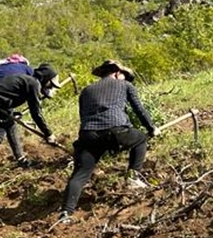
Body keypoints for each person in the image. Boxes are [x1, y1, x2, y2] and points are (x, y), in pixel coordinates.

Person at [59, 60, 157, 222]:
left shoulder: (86, 90)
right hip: (115, 129)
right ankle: (133, 177)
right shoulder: (125, 86)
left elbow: (83, 116)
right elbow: (138, 109)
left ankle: (65, 213)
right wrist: (152, 128)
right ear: (118, 73)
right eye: (124, 76)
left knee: (80, 175)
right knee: (140, 139)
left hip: (88, 134)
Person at [0, 63, 61, 184]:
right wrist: (49, 133)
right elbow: (36, 114)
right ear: (45, 78)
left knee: (10, 124)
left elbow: (6, 95)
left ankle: (21, 160)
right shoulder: (32, 83)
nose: (50, 87)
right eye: (51, 84)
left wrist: (15, 113)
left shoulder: (27, 81)